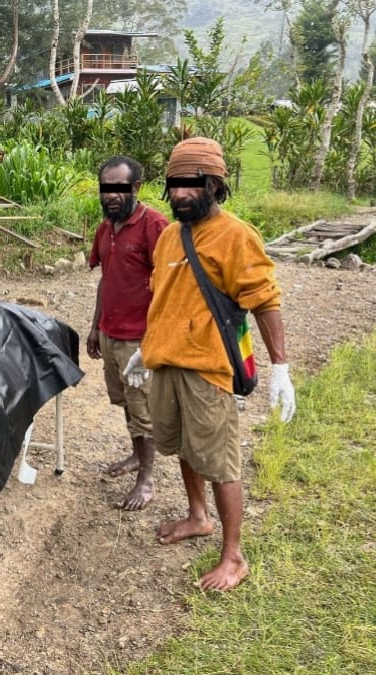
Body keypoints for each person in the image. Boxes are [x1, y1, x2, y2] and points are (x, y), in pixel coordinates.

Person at [124, 137, 296, 591]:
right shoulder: (167, 237)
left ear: (215, 185)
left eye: (190, 185)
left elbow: (264, 300)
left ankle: (233, 557)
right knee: (184, 447)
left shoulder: (236, 235)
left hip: (208, 370)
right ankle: (197, 517)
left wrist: (281, 366)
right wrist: (149, 347)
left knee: (220, 461)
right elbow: (166, 300)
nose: (179, 194)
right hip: (167, 367)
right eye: (173, 185)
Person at [87, 156, 169, 510]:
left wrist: (156, 339)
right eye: (106, 189)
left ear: (136, 188)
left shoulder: (155, 226)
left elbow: (170, 285)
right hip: (110, 333)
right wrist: (95, 326)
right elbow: (107, 279)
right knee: (124, 400)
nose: (112, 196)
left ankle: (146, 480)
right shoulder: (106, 229)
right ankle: (136, 456)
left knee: (143, 410)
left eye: (120, 189)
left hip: (140, 339)